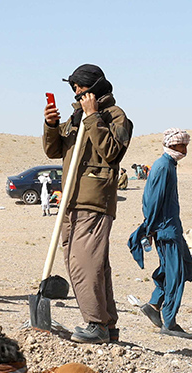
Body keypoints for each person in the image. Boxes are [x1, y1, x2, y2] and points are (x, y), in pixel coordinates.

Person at [43, 64, 133, 344]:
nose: (78, 93)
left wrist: (93, 117)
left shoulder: (115, 116)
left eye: (81, 88)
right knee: (90, 263)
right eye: (74, 89)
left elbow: (112, 152)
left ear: (95, 87)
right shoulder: (75, 117)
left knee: (85, 264)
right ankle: (107, 324)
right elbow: (54, 150)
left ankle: (95, 324)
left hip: (94, 201)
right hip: (70, 199)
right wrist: (51, 125)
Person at [130, 129, 192, 338]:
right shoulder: (163, 166)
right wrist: (149, 227)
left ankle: (154, 304)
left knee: (181, 266)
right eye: (180, 146)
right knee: (176, 274)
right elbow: (152, 200)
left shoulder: (168, 165)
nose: (184, 150)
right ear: (171, 145)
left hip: (172, 228)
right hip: (166, 230)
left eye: (185, 146)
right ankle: (169, 321)